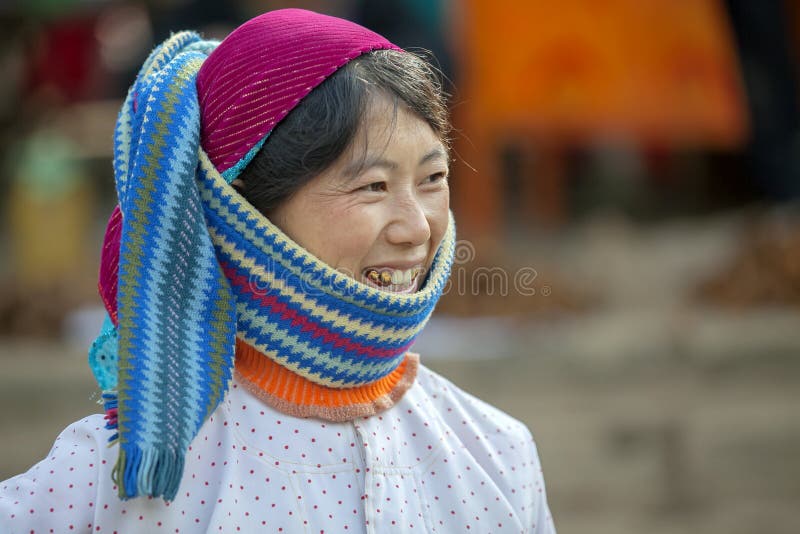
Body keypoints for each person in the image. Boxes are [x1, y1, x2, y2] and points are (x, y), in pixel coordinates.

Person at [0, 9, 555, 533]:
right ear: (242, 212)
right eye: (373, 187)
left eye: (433, 178)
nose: (417, 228)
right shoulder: (115, 479)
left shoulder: (499, 455)